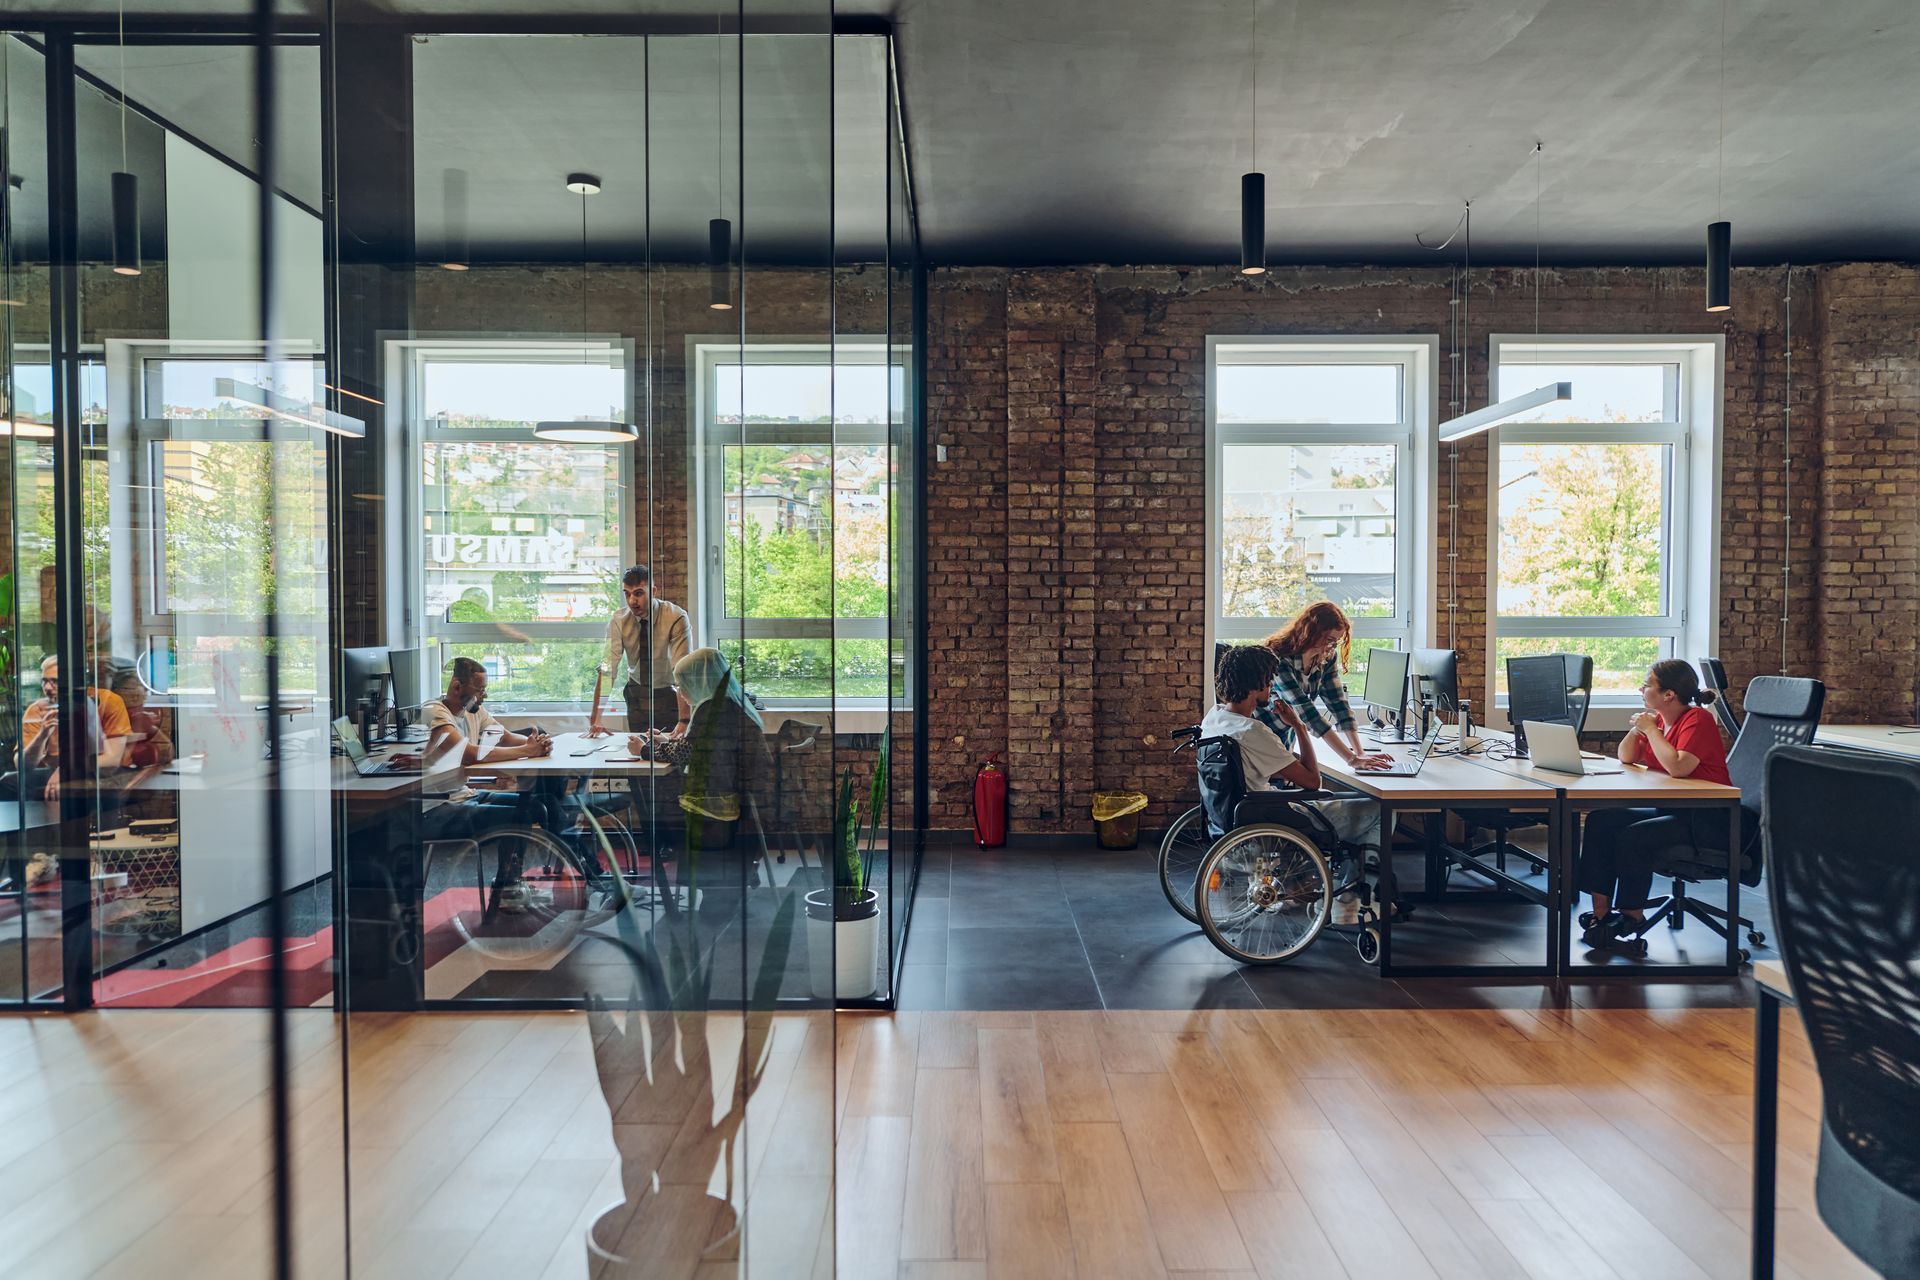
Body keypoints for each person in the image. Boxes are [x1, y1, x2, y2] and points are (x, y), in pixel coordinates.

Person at [1574, 658, 1733, 948]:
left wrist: (1650, 731)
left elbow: (1678, 767)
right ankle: (1601, 914)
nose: (1641, 688)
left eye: (1647, 684)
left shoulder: (1697, 720)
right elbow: (1626, 756)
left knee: (1635, 836)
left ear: (1669, 694)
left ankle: (1632, 915)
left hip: (1707, 819)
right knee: (1601, 819)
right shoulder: (1658, 721)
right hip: (1673, 809)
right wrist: (1640, 729)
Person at [1201, 645, 1386, 865]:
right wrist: (1298, 725)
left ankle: (1338, 885)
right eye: (1269, 679)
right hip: (1273, 815)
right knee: (1380, 809)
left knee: (1355, 799)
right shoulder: (1252, 731)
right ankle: (1360, 890)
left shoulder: (1214, 718)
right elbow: (1312, 781)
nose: (1272, 685)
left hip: (1236, 814)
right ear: (1256, 683)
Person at [422, 657, 559, 913]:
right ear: (456, 686)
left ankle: (510, 883)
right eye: (479, 689)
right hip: (435, 808)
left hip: (465, 795)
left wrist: (537, 743)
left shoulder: (474, 710)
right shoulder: (434, 711)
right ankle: (506, 889)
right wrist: (528, 751)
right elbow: (470, 753)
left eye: (484, 690)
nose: (483, 695)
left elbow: (505, 738)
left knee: (534, 807)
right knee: (515, 815)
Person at [633, 648, 775, 890]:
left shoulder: (711, 709)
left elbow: (683, 754)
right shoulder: (729, 703)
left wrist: (643, 750)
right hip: (747, 796)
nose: (680, 691)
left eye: (682, 684)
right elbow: (696, 747)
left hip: (722, 801)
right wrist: (665, 741)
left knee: (659, 812)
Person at [1260, 602, 1396, 772]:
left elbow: (1339, 705)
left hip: (1286, 736)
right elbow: (1307, 713)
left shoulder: (1326, 657)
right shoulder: (1279, 657)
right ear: (1311, 632)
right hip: (1262, 736)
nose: (1331, 647)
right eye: (1329, 640)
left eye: (1336, 642)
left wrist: (1360, 753)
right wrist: (1351, 759)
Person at [587, 565, 692, 740]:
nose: (632, 601)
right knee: (639, 752)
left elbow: (682, 671)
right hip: (636, 694)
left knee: (671, 755)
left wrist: (684, 720)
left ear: (653, 591)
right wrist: (595, 719)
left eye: (638, 593)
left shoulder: (676, 617)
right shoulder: (619, 620)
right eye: (627, 594)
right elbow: (607, 670)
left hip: (669, 694)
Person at [13, 655, 130, 801]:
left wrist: (65, 770)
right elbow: (22, 765)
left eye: (54, 681)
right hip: (53, 772)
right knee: (9, 782)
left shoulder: (107, 701)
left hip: (99, 771)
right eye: (44, 681)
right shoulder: (37, 710)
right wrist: (42, 734)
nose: (48, 688)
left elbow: (112, 759)